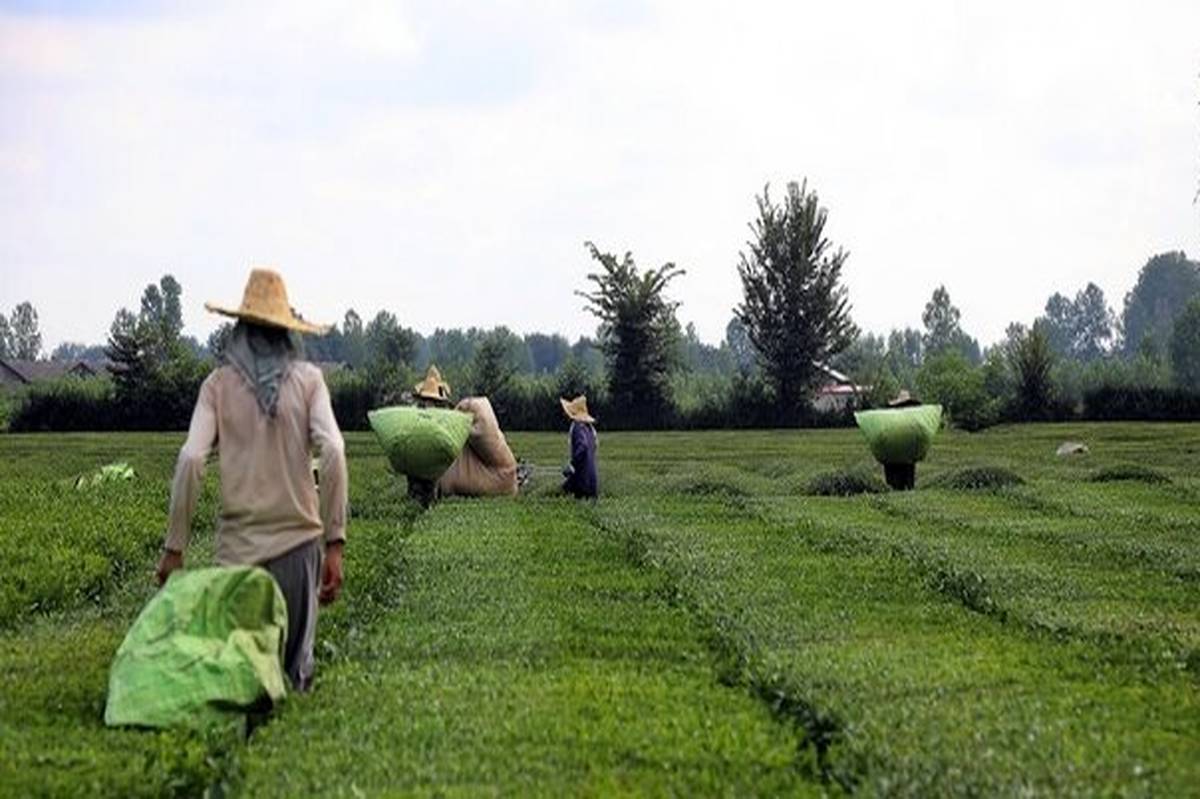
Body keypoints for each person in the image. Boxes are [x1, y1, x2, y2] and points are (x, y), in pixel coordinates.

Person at [155, 268, 348, 692]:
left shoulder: (217, 387)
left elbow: (190, 459)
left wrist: (175, 549)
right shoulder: (309, 382)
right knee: (294, 676)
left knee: (242, 681)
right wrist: (334, 543)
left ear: (239, 330)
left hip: (236, 557)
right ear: (286, 333)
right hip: (298, 552)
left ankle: (238, 754)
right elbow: (333, 451)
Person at [560, 395, 598, 499]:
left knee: (561, 493)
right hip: (592, 481)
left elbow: (583, 446)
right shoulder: (590, 429)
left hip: (582, 482)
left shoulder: (577, 427)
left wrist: (572, 465)